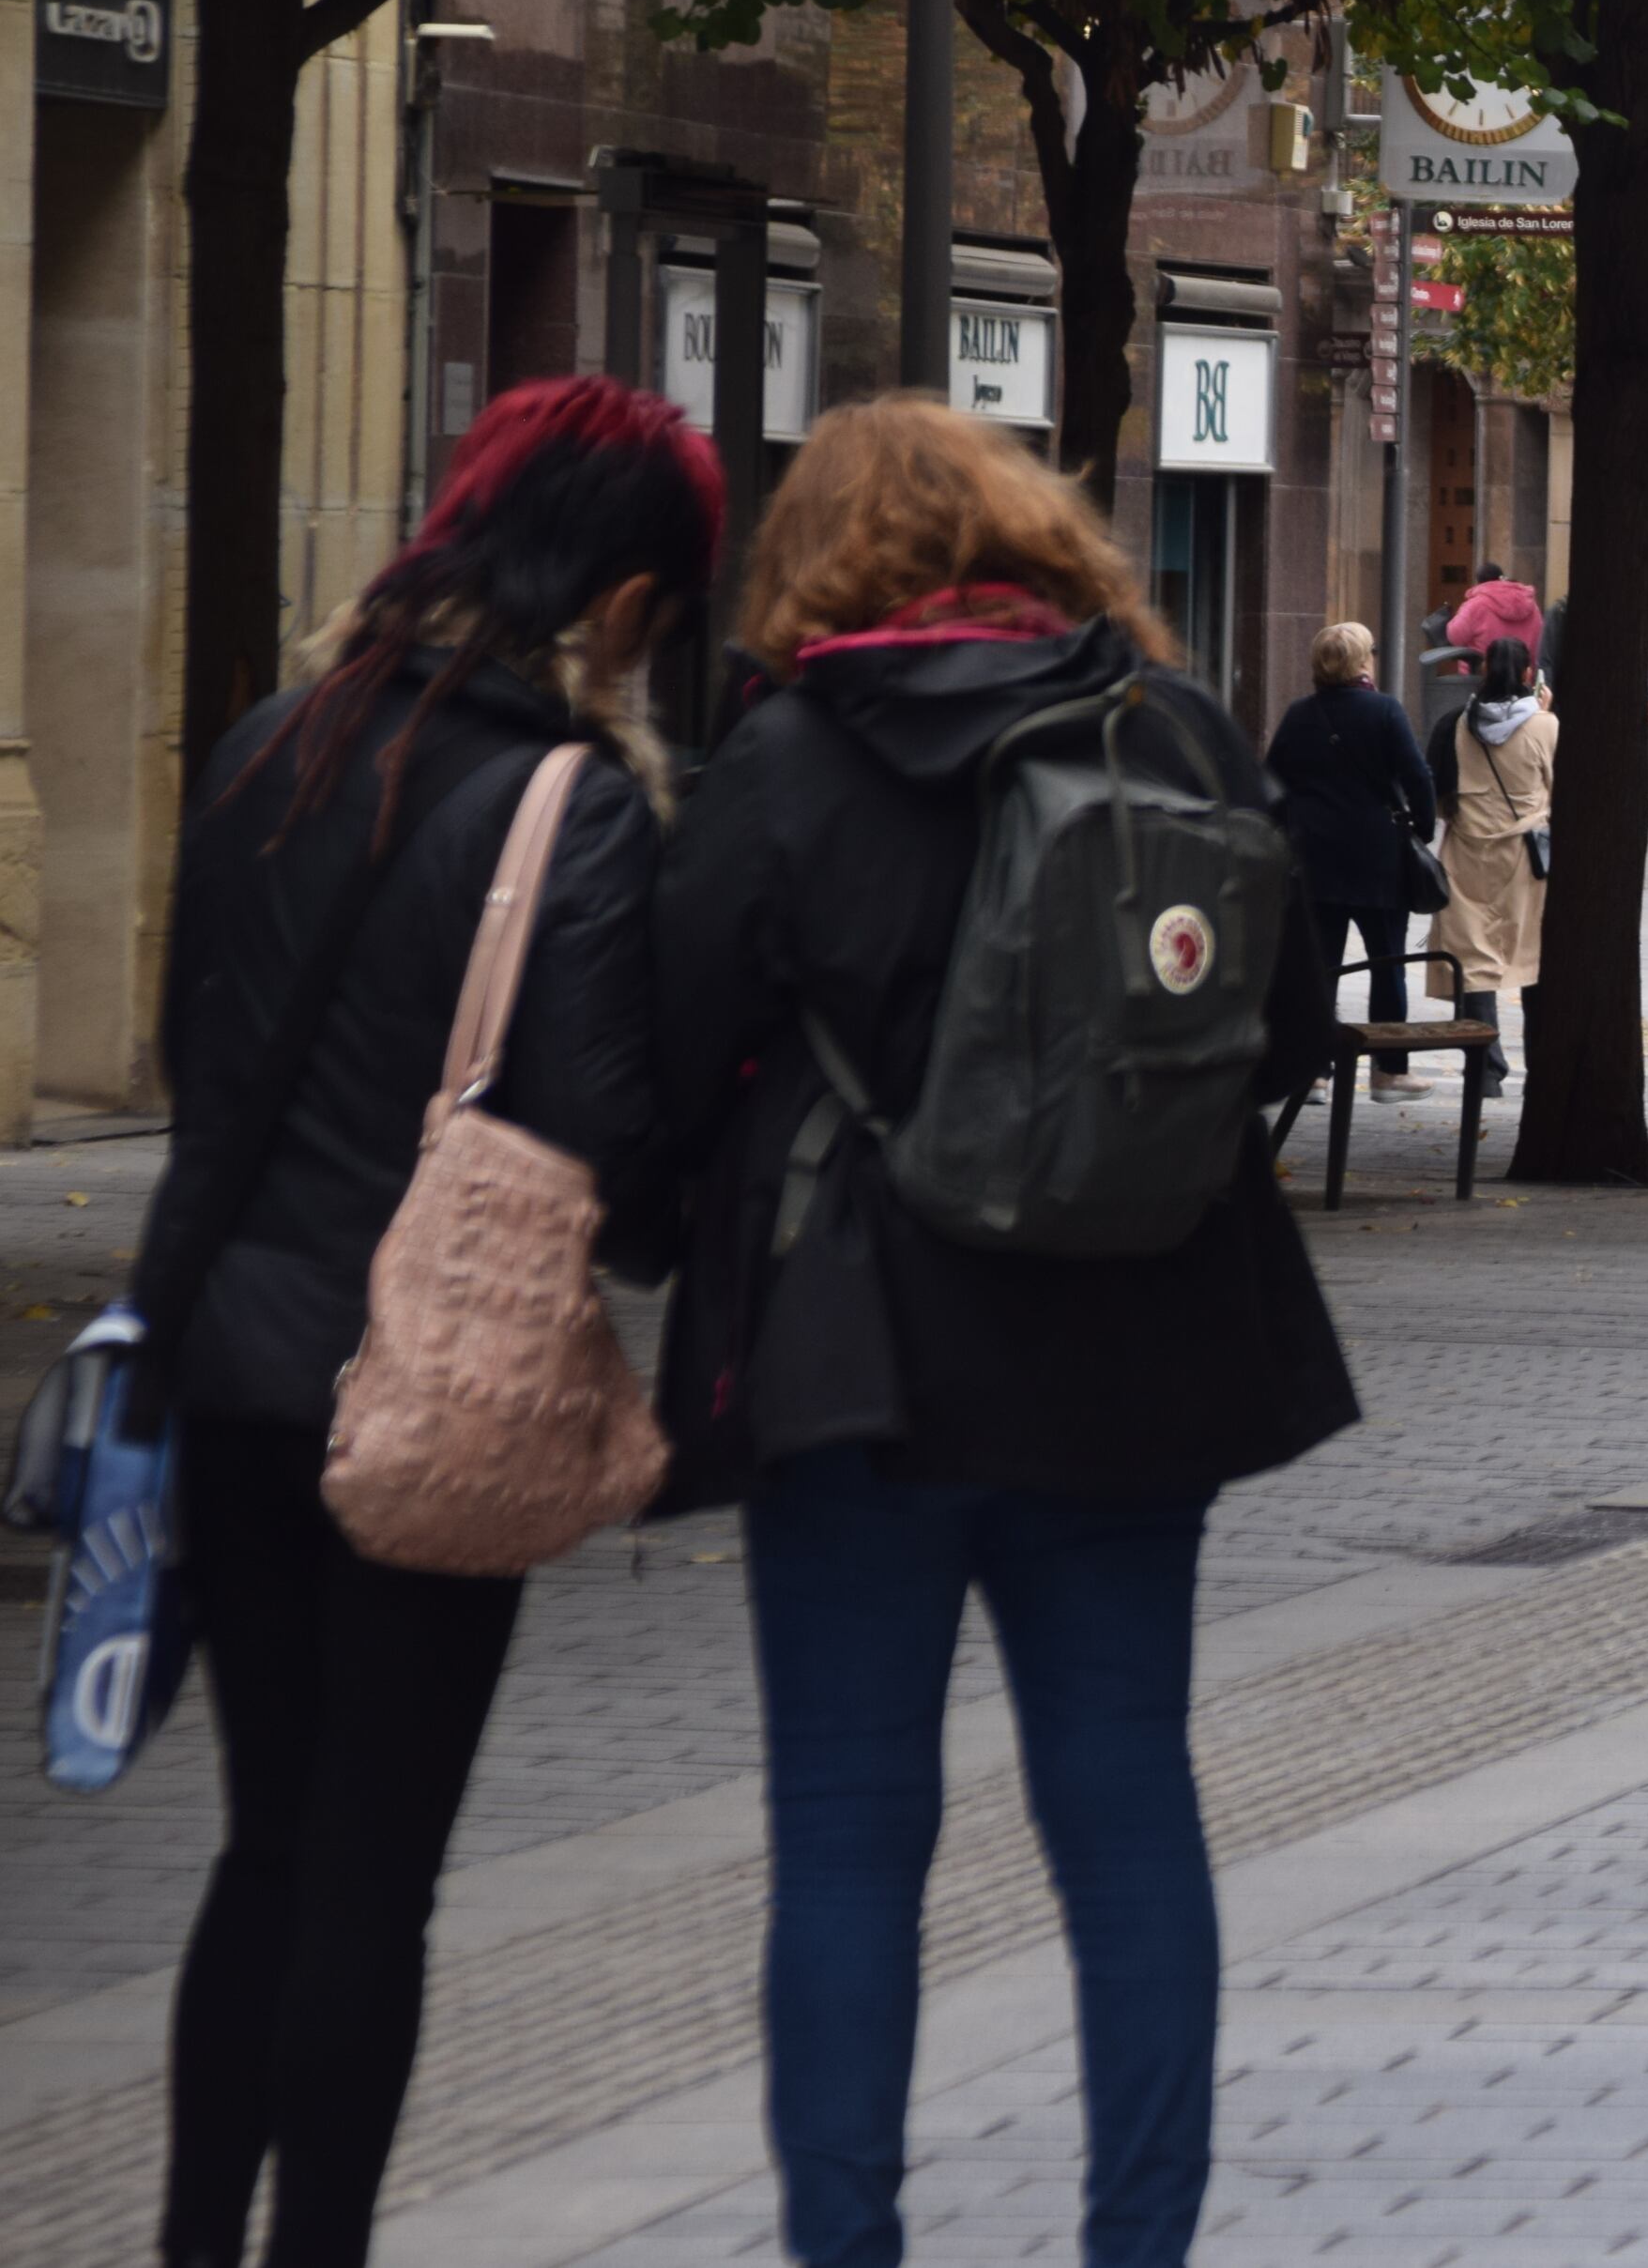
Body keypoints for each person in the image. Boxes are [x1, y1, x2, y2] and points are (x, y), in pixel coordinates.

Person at [652, 394, 1355, 2266]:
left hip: (854, 1361)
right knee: (1128, 1805)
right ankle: (1139, 2241)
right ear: (1038, 534)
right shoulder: (1171, 723)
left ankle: (847, 2246)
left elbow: (658, 1058)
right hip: (1137, 1347)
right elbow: (1283, 1033)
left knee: (847, 1840)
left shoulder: (789, 753)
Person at [138, 378, 711, 2268]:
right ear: (622, 598)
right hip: (434, 1405)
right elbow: (608, 1158)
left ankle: (197, 2239)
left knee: (264, 1845)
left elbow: (195, 1065)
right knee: (372, 1878)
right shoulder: (576, 806)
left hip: (222, 1374)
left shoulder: (258, 750)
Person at [1265, 621, 1442, 1099]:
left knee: (1319, 966)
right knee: (1388, 963)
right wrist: (1421, 830)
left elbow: (1269, 783)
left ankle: (1314, 1072)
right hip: (1378, 859)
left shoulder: (1300, 715)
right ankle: (1389, 1071)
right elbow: (1418, 777)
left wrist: (1290, 832)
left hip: (1314, 861)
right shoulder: (1384, 710)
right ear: (1361, 661)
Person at [1428, 635, 1556, 1090]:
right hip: (1526, 861)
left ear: (1484, 672)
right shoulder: (1546, 727)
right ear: (1527, 674)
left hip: (1467, 857)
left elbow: (1437, 795)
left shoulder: (1453, 725)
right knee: (1535, 960)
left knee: (1474, 962)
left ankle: (1484, 1071)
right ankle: (1544, 1066)